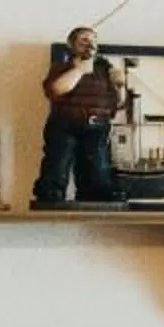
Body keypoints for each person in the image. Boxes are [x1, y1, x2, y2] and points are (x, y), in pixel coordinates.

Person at [32, 27, 119, 206]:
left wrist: (119, 84)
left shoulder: (104, 71)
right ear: (72, 45)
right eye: (84, 40)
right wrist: (78, 70)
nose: (90, 45)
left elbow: (117, 102)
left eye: (93, 40)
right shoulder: (62, 68)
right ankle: (51, 192)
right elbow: (56, 89)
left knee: (97, 161)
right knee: (59, 160)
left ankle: (95, 192)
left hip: (97, 125)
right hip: (65, 123)